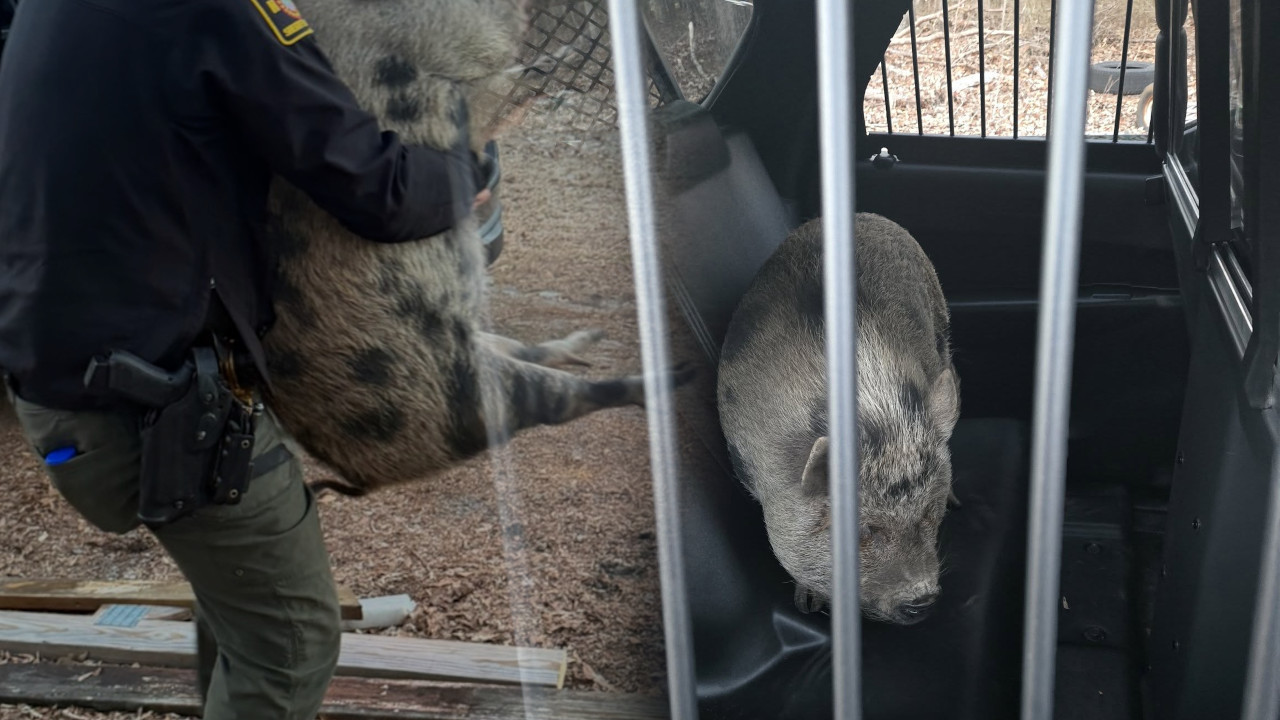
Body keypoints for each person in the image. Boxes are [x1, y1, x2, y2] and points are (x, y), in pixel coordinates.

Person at [0, 0, 487, 717]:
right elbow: (369, 182)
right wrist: (467, 173)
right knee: (288, 640)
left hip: (64, 382)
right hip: (152, 405)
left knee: (235, 603)